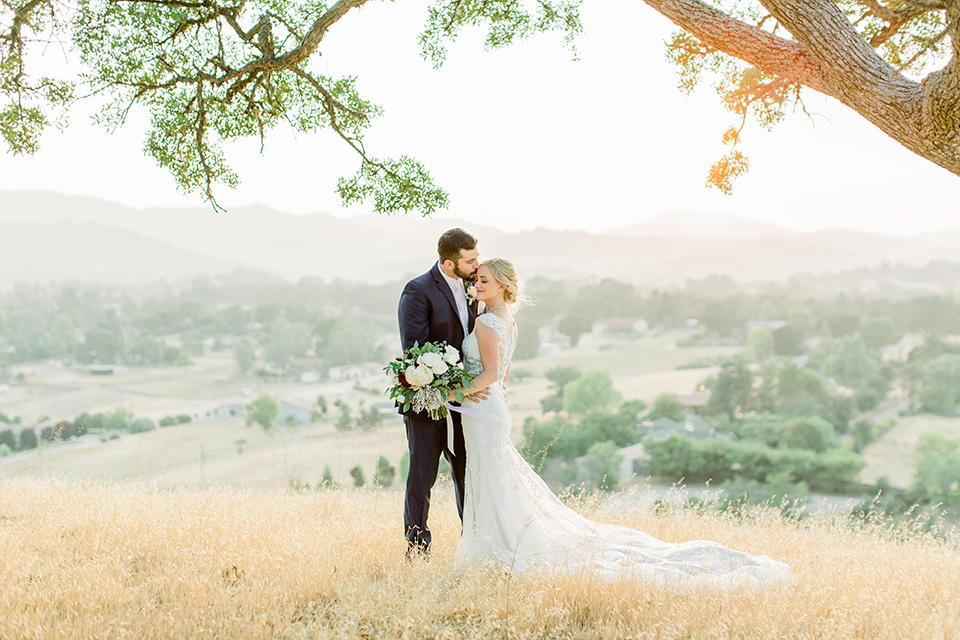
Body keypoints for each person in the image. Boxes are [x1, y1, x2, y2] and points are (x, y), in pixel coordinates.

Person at [451, 258, 792, 587]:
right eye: (476, 279)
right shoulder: (507, 319)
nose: (477, 285)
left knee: (489, 474)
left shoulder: (485, 322)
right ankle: (500, 540)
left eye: (484, 280)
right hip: (493, 408)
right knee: (492, 475)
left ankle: (500, 546)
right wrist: (482, 390)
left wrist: (454, 391)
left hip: (483, 409)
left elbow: (494, 374)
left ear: (503, 285)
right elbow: (504, 377)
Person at [397, 228, 485, 556]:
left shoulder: (476, 287)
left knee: (468, 474)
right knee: (422, 478)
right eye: (470, 260)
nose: (478, 264)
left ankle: (473, 546)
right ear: (449, 264)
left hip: (466, 403)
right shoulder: (417, 291)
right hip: (427, 404)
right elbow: (414, 351)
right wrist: (445, 387)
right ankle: (417, 549)